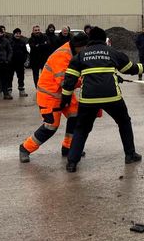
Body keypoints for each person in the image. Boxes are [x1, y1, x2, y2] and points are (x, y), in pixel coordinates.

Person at [61, 27, 144, 172]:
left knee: (81, 129)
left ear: (89, 40)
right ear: (104, 39)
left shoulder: (80, 56)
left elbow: (69, 80)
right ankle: (130, 155)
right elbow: (131, 69)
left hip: (88, 99)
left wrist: (65, 98)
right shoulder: (112, 52)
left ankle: (72, 162)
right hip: (112, 97)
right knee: (124, 122)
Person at [19, 33, 89, 163]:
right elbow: (64, 81)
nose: (86, 51)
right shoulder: (63, 55)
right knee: (51, 126)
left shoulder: (74, 53)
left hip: (64, 93)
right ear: (78, 46)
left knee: (75, 116)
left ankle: (68, 147)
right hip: (49, 95)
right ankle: (25, 148)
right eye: (85, 47)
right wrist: (85, 80)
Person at [27, 25, 48, 89]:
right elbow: (33, 47)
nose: (37, 31)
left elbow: (47, 45)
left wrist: (38, 45)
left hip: (43, 59)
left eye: (38, 30)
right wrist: (43, 45)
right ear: (33, 31)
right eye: (35, 30)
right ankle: (37, 87)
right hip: (34, 60)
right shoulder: (30, 39)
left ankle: (44, 86)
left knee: (44, 74)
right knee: (35, 75)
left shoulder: (44, 37)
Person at [11, 28, 29, 97]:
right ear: (14, 34)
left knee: (21, 77)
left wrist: (24, 60)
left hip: (20, 63)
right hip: (11, 63)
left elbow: (25, 52)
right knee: (10, 77)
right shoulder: (10, 41)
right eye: (16, 33)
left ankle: (21, 91)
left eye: (19, 33)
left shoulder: (22, 42)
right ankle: (9, 91)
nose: (18, 35)